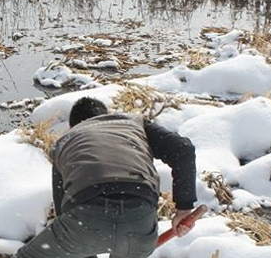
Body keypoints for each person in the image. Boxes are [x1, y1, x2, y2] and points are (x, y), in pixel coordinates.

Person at [15, 97, 198, 258]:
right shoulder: (134, 124)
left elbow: (64, 208)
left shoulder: (66, 142)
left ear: (74, 124)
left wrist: (83, 245)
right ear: (105, 115)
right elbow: (184, 150)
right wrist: (183, 208)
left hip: (85, 220)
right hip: (139, 223)